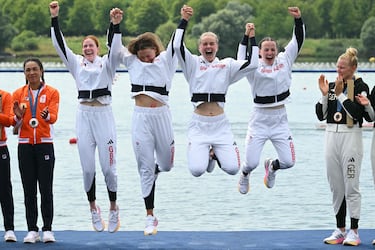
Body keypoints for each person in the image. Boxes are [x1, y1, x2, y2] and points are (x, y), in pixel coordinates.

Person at [49, 1, 122, 233]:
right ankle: (93, 207)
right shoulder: (76, 64)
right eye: (85, 46)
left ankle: (113, 207)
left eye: (91, 45)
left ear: (98, 48)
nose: (88, 48)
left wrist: (115, 25)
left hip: (103, 116)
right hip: (84, 117)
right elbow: (60, 45)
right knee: (88, 169)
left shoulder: (107, 65)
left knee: (109, 168)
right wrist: (54, 18)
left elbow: (115, 46)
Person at [173, 5, 259, 178]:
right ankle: (208, 157)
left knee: (233, 169)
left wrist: (252, 38)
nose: (208, 46)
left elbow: (253, 64)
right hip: (199, 124)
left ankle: (213, 155)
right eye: (205, 44)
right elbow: (177, 46)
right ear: (199, 48)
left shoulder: (226, 65)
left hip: (220, 125)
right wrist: (184, 20)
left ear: (217, 47)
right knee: (197, 171)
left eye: (211, 43)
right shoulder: (193, 64)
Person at [113, 13, 178, 235]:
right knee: (144, 168)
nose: (146, 60)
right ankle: (150, 216)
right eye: (142, 57)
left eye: (149, 57)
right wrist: (115, 24)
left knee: (167, 164)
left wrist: (184, 20)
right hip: (140, 117)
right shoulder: (132, 61)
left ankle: (158, 168)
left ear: (156, 52)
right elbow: (114, 48)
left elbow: (176, 41)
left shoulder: (166, 61)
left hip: (162, 116)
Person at [236, 7, 305, 194]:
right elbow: (240, 58)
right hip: (259, 118)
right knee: (251, 163)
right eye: (265, 49)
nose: (270, 52)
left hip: (280, 118)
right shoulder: (253, 66)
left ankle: (272, 167)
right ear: (260, 52)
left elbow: (297, 41)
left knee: (288, 162)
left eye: (272, 49)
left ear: (276, 50)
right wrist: (246, 36)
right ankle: (244, 173)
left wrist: (298, 20)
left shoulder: (284, 60)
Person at [315, 47, 371, 246]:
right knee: (336, 186)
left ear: (353, 67)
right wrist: (324, 95)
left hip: (351, 137)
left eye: (343, 67)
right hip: (331, 135)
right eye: (337, 67)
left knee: (351, 186)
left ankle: (354, 231)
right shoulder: (332, 85)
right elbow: (321, 115)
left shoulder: (361, 86)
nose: (339, 70)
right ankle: (339, 229)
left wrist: (339, 95)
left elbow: (358, 114)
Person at [11, 57, 60, 243]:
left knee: (46, 189)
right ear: (24, 73)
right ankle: (32, 229)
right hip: (24, 145)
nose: (31, 73)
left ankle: (47, 229)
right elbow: (13, 124)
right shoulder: (17, 94)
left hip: (44, 144)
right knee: (28, 189)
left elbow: (53, 117)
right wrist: (17, 117)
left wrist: (47, 116)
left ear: (41, 71)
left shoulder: (52, 92)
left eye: (34, 69)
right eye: (28, 70)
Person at [0, 89, 17, 242]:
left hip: (1, 147)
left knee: (5, 189)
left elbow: (10, 121)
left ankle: (9, 229)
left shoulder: (4, 96)